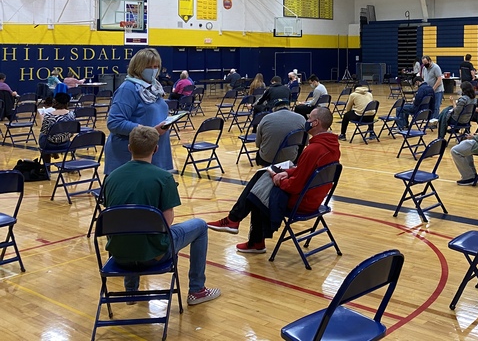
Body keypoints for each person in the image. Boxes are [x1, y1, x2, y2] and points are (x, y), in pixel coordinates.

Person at [103, 125, 220, 305]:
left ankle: (131, 292)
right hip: (154, 256)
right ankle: (197, 290)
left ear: (129, 147)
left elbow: (115, 217)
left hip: (119, 256)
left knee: (128, 225)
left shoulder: (111, 178)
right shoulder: (163, 178)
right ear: (156, 149)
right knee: (200, 225)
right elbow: (166, 223)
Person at [207, 107, 341, 254]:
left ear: (315, 123)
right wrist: (286, 172)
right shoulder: (332, 145)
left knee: (259, 192)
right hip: (316, 196)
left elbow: (295, 187)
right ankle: (237, 224)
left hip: (303, 202)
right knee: (262, 178)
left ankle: (247, 233)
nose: (306, 121)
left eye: (309, 119)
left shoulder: (313, 149)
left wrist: (279, 180)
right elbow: (307, 171)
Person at [105, 47, 173, 174]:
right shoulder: (128, 89)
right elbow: (114, 122)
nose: (153, 70)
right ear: (138, 67)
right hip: (130, 157)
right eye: (149, 67)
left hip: (155, 153)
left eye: (156, 66)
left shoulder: (154, 87)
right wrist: (148, 131)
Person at [254, 99, 306, 166]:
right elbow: (304, 142)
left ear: (274, 108)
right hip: (291, 158)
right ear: (289, 107)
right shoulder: (301, 118)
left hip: (268, 159)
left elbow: (258, 144)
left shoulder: (266, 118)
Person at [38, 92, 76, 169]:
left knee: (43, 136)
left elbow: (44, 131)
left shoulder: (49, 115)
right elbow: (72, 133)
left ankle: (47, 168)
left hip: (49, 144)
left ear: (55, 101)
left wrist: (42, 119)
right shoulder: (72, 115)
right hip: (65, 144)